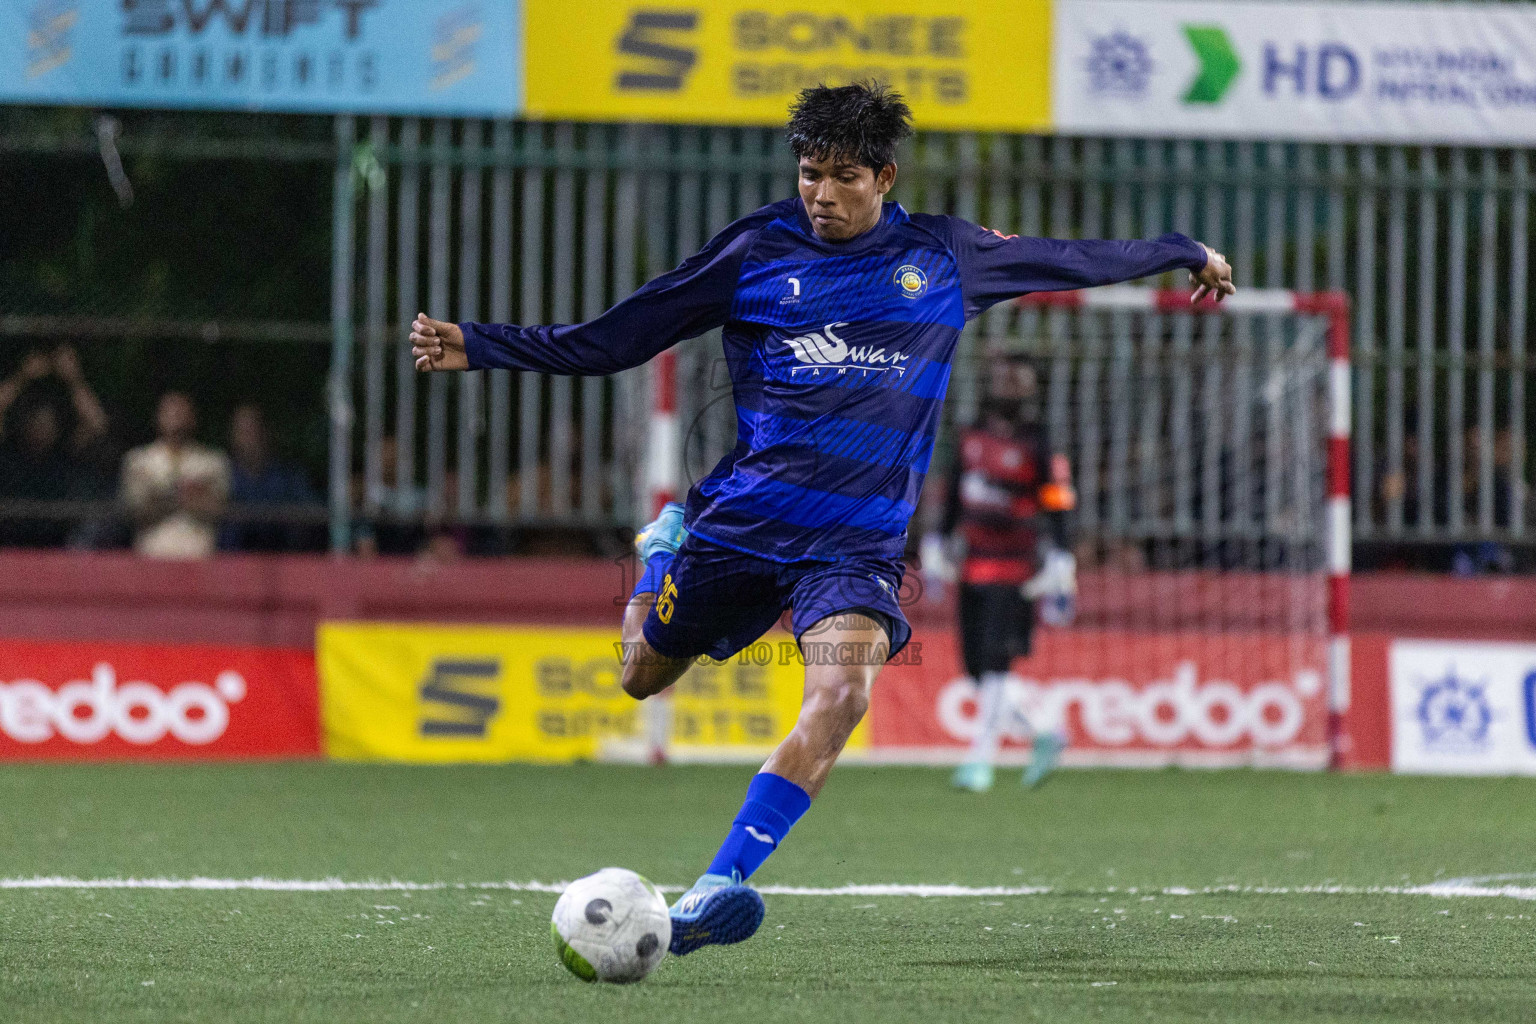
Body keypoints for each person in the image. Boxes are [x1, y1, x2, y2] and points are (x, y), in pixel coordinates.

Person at [410, 82, 1235, 956]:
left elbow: (1072, 256)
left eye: (843, 177)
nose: (822, 195)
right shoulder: (756, 251)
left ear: (884, 177)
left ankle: (713, 889)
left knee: (841, 695)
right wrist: (483, 344)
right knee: (638, 673)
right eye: (810, 174)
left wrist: (1180, 249)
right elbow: (620, 337)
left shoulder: (945, 257)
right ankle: (662, 549)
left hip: (853, 550)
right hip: (740, 528)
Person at [924, 355, 1076, 793]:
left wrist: (1062, 555)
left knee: (996, 661)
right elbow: (952, 491)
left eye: (1019, 380)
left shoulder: (1039, 440)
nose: (1010, 388)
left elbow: (1057, 499)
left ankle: (980, 759)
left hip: (1017, 565)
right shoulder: (970, 434)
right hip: (973, 561)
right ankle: (1044, 732)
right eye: (1004, 378)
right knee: (975, 668)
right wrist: (936, 540)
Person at [0, 346, 111, 547]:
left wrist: (74, 380)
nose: (41, 429)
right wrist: (22, 378)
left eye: (47, 424)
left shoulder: (63, 453)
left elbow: (98, 425)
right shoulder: (10, 452)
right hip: (9, 539)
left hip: (57, 541)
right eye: (36, 423)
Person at [120, 392, 230, 559]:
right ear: (158, 417)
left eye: (182, 411)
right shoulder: (138, 461)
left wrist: (159, 494)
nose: (176, 417)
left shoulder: (213, 461)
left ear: (193, 418)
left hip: (199, 558)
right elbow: (137, 511)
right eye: (170, 411)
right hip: (153, 556)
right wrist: (187, 493)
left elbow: (217, 510)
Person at [218, 403, 320, 553]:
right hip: (230, 564)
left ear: (266, 432)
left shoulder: (290, 476)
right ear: (232, 436)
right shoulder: (220, 474)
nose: (249, 438)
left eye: (253, 429)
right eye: (243, 431)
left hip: (283, 562)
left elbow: (311, 513)